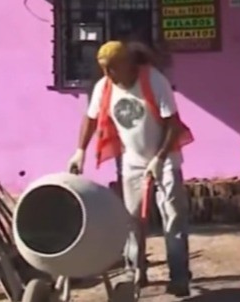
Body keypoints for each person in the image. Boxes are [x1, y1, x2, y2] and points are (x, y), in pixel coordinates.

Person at [67, 40, 195, 297]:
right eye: (104, 69)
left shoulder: (154, 80)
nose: (108, 75)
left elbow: (173, 123)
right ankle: (135, 270)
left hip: (165, 159)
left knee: (173, 218)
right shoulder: (104, 87)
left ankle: (179, 277)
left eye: (112, 68)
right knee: (132, 220)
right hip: (132, 162)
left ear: (127, 64)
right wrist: (80, 150)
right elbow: (90, 120)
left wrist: (158, 159)